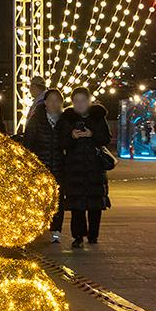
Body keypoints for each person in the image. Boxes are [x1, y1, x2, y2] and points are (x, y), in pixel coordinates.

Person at [58, 87, 112, 248]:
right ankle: (78, 236)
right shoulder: (67, 118)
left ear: (89, 101)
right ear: (72, 102)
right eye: (76, 101)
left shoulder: (98, 117)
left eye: (83, 100)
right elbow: (62, 142)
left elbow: (106, 139)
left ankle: (93, 235)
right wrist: (72, 136)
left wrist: (92, 134)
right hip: (74, 169)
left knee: (95, 206)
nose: (80, 104)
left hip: (95, 169)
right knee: (77, 206)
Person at [23, 89, 65, 242]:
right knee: (38, 201)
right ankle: (36, 228)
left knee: (58, 201)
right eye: (51, 100)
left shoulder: (65, 121)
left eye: (57, 100)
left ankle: (55, 231)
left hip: (60, 168)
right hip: (41, 168)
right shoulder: (36, 120)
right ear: (45, 103)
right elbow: (28, 144)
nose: (54, 104)